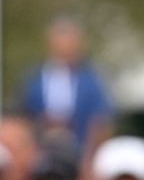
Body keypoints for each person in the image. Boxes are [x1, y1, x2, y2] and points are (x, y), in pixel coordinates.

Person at [19, 18, 114, 166]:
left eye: (70, 39)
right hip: (41, 152)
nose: (66, 45)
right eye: (61, 38)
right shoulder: (34, 77)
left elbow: (101, 120)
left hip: (78, 154)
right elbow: (23, 116)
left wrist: (90, 159)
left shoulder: (91, 79)